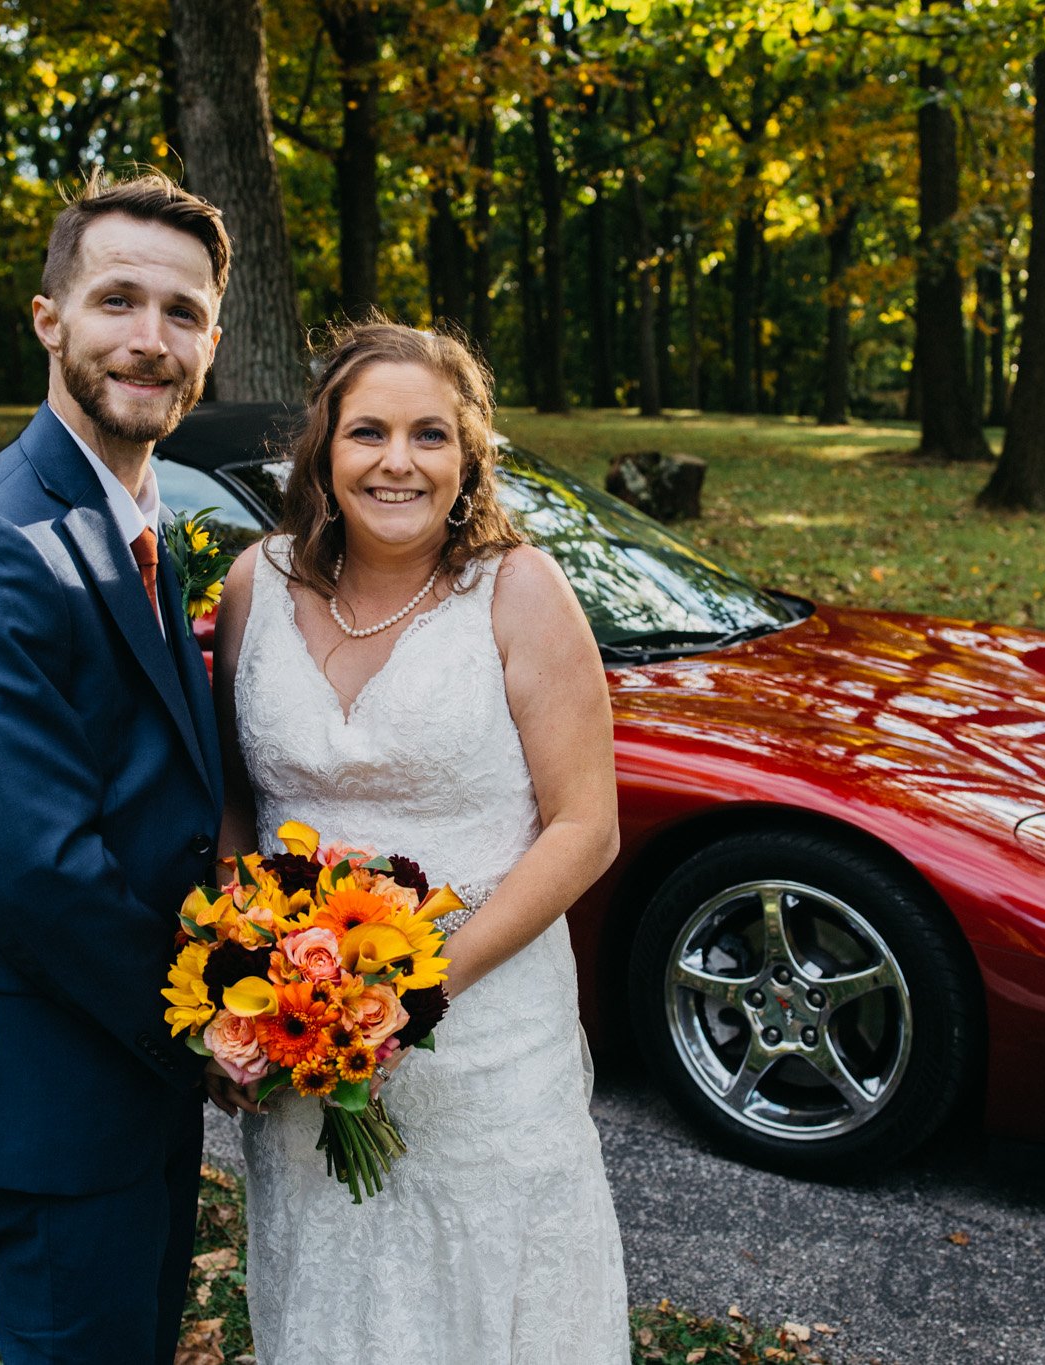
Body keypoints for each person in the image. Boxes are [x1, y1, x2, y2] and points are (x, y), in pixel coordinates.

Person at [208, 322, 631, 1361]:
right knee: (335, 1289)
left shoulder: (518, 591)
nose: (396, 461)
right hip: (301, 1033)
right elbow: (232, 802)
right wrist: (244, 974)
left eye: (429, 435)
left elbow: (585, 828)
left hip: (486, 1043)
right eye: (367, 432)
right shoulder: (253, 586)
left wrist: (417, 991)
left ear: (467, 457)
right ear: (322, 452)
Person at [0, 170, 228, 1363]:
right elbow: (37, 863)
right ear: (49, 320)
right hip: (53, 1075)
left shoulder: (137, 513)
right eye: (116, 301)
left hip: (126, 1062)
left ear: (211, 341)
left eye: (181, 313)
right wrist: (210, 1021)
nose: (150, 339)